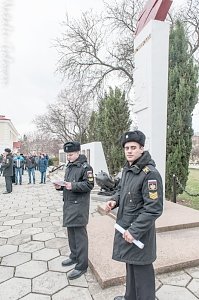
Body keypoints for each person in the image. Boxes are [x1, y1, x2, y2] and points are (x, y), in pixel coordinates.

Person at [105, 130, 163, 300]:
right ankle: (130, 297)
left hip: (138, 234)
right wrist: (114, 201)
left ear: (142, 149)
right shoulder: (129, 169)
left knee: (142, 272)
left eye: (133, 147)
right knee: (131, 266)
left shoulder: (150, 174)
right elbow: (122, 191)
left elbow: (154, 208)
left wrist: (135, 231)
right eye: (126, 148)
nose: (129, 151)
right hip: (126, 229)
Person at [55, 141, 94, 280]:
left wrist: (73, 185)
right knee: (71, 233)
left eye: (70, 154)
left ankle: (82, 265)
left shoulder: (86, 167)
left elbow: (89, 185)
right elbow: (67, 184)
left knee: (80, 236)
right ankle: (74, 256)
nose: (69, 157)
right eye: (67, 155)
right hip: (69, 204)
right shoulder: (70, 166)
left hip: (79, 206)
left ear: (78, 153)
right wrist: (60, 186)